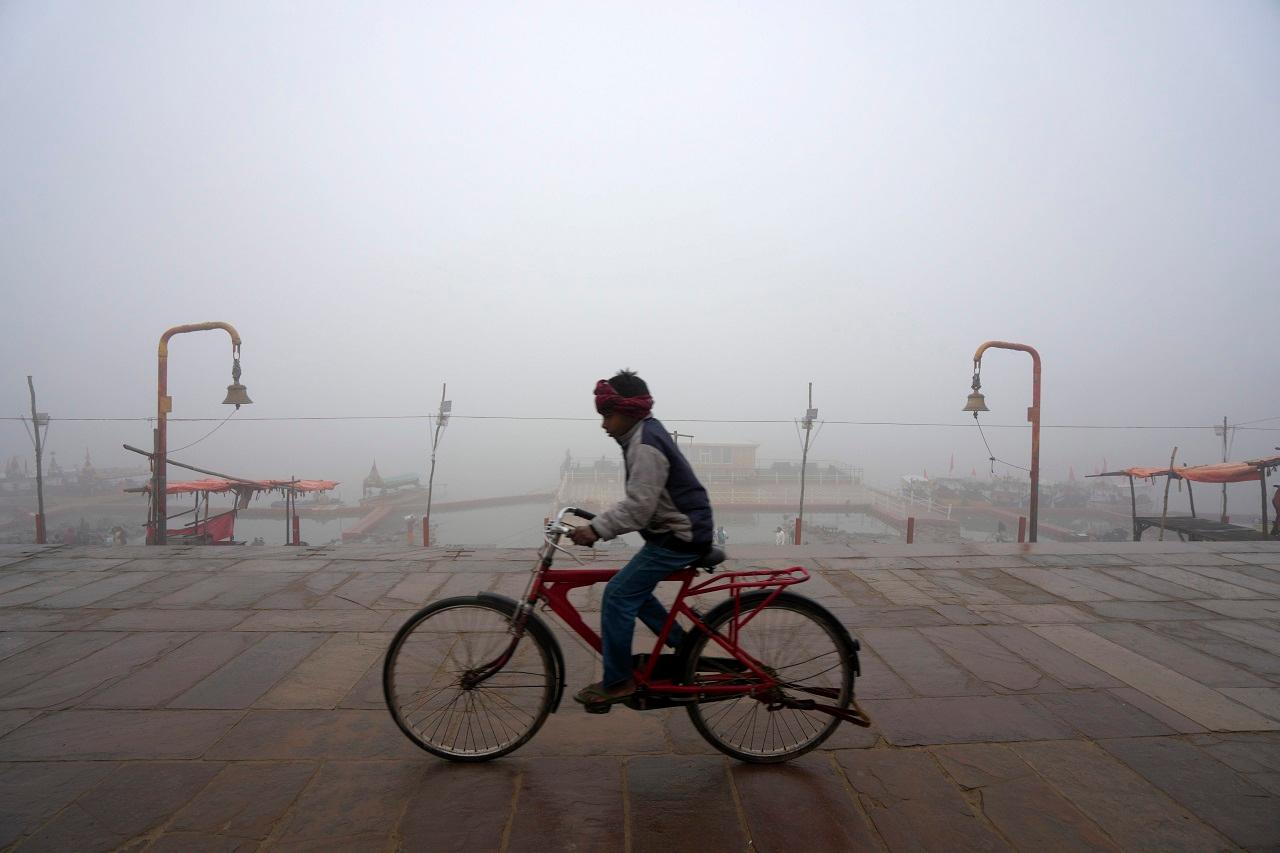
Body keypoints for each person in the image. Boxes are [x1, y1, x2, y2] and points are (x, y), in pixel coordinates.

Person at [569, 370, 715, 706]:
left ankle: (618, 682)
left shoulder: (644, 446)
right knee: (630, 587)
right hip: (674, 529)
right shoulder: (642, 434)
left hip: (681, 534)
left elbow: (638, 509)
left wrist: (596, 529)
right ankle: (683, 642)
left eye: (607, 415)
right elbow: (642, 506)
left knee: (618, 596)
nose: (604, 425)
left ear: (628, 411)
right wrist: (603, 523)